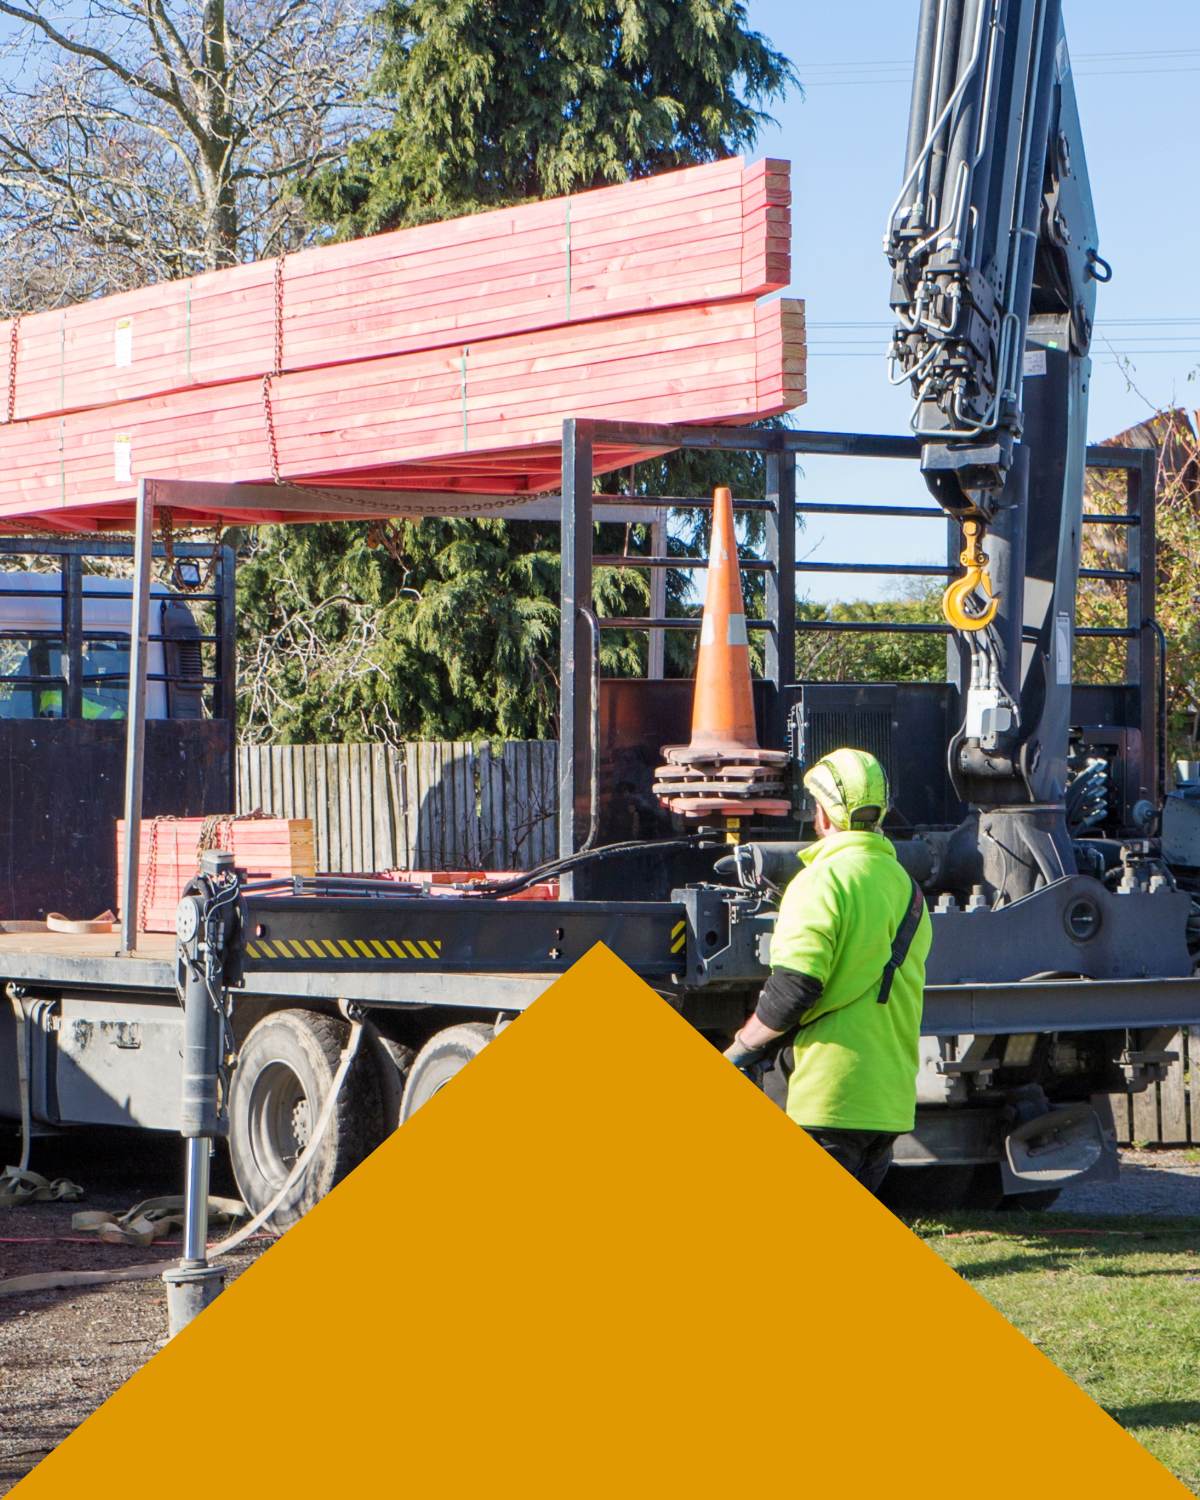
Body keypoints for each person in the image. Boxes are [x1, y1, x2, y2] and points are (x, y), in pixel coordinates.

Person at [724, 747, 931, 1194]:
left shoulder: (820, 881)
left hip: (824, 1098)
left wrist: (740, 1048)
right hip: (886, 1104)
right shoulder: (908, 889)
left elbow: (794, 989)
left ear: (821, 813)